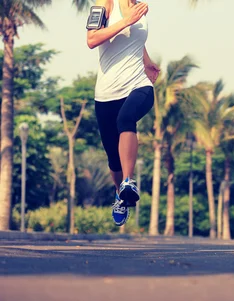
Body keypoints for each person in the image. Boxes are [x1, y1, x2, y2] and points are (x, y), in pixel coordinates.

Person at [87, 0, 160, 226]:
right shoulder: (104, 4)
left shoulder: (140, 8)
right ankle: (120, 193)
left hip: (139, 85)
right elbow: (92, 40)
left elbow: (135, 40)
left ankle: (129, 181)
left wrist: (147, 62)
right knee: (113, 157)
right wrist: (126, 21)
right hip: (107, 93)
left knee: (126, 119)